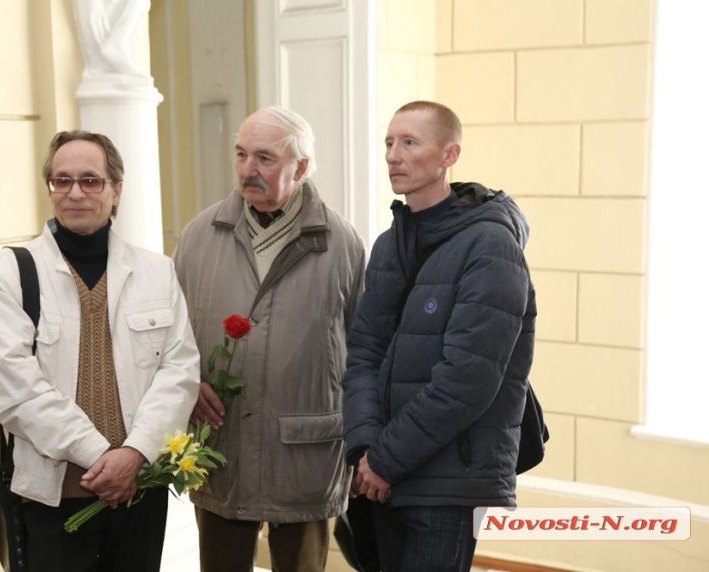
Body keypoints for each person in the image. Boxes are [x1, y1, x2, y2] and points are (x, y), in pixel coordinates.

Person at [0, 130, 200, 571]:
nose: (75, 192)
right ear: (50, 190)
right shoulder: (8, 275)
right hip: (50, 497)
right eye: (62, 180)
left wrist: (133, 455)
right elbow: (14, 388)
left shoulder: (156, 271)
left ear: (116, 191)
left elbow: (179, 372)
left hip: (139, 490)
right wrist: (100, 456)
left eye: (91, 180)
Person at [342, 101, 536, 572]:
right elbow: (364, 351)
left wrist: (385, 460)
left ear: (450, 155)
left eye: (410, 142)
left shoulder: (491, 246)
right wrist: (366, 449)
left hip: (452, 480)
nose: (393, 155)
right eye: (389, 142)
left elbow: (467, 379)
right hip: (382, 476)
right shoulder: (391, 244)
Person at [173, 106, 366, 572]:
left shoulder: (342, 243)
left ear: (300, 167)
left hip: (308, 450)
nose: (247, 170)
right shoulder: (199, 236)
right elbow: (168, 337)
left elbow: (365, 351)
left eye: (264, 157)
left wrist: (365, 445)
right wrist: (187, 384)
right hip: (223, 447)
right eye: (241, 155)